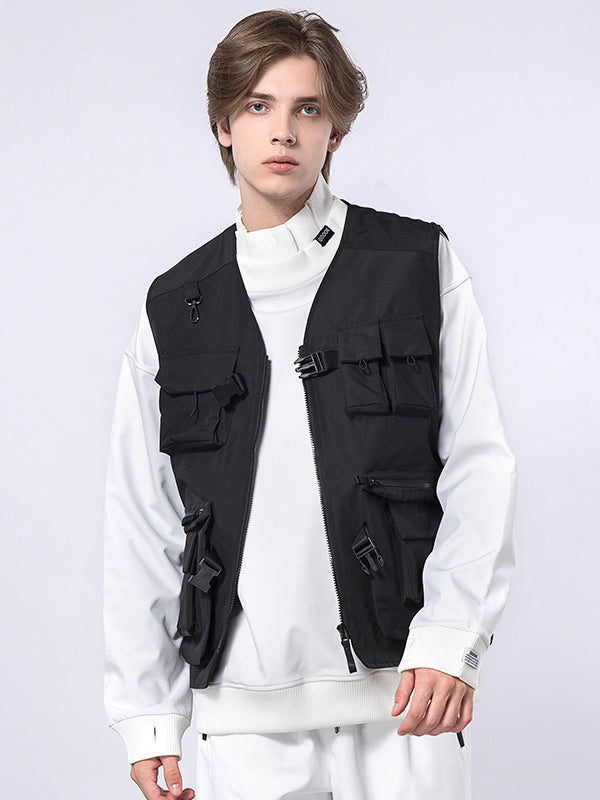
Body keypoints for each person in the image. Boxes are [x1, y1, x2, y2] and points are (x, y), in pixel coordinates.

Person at [103, 9, 518, 800]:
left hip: (404, 697)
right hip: (242, 715)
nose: (283, 131)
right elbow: (142, 521)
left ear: (336, 129)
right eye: (258, 106)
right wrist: (147, 713)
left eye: (308, 108)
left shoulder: (416, 265)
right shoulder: (174, 308)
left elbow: (479, 461)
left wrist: (453, 636)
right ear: (223, 126)